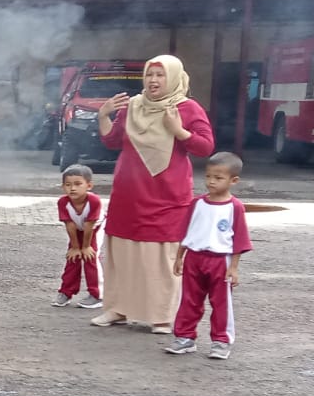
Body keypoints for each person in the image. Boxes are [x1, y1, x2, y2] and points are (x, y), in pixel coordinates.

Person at [90, 55, 214, 333]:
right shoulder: (133, 106)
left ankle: (162, 316)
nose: (153, 80)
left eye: (160, 75)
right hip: (128, 193)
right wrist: (103, 115)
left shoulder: (187, 108)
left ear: (173, 77)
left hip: (166, 195)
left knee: (159, 257)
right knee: (123, 253)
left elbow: (205, 147)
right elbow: (112, 141)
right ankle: (117, 309)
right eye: (149, 75)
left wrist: (178, 131)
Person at [165, 152, 252, 361]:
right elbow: (187, 231)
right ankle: (185, 337)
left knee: (221, 302)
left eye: (218, 178)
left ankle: (221, 341)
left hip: (220, 260)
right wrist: (179, 257)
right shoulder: (197, 204)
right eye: (208, 176)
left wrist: (234, 268)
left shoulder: (235, 207)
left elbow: (239, 239)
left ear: (234, 181)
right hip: (194, 258)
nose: (211, 182)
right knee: (189, 300)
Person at [53, 164, 103, 309]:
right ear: (63, 187)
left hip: (95, 229)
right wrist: (75, 247)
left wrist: (85, 247)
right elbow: (69, 224)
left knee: (90, 257)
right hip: (78, 229)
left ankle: (97, 294)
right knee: (72, 257)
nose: (72, 188)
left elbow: (89, 225)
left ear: (89, 185)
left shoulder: (93, 201)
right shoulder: (63, 202)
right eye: (68, 185)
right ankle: (66, 292)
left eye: (78, 184)